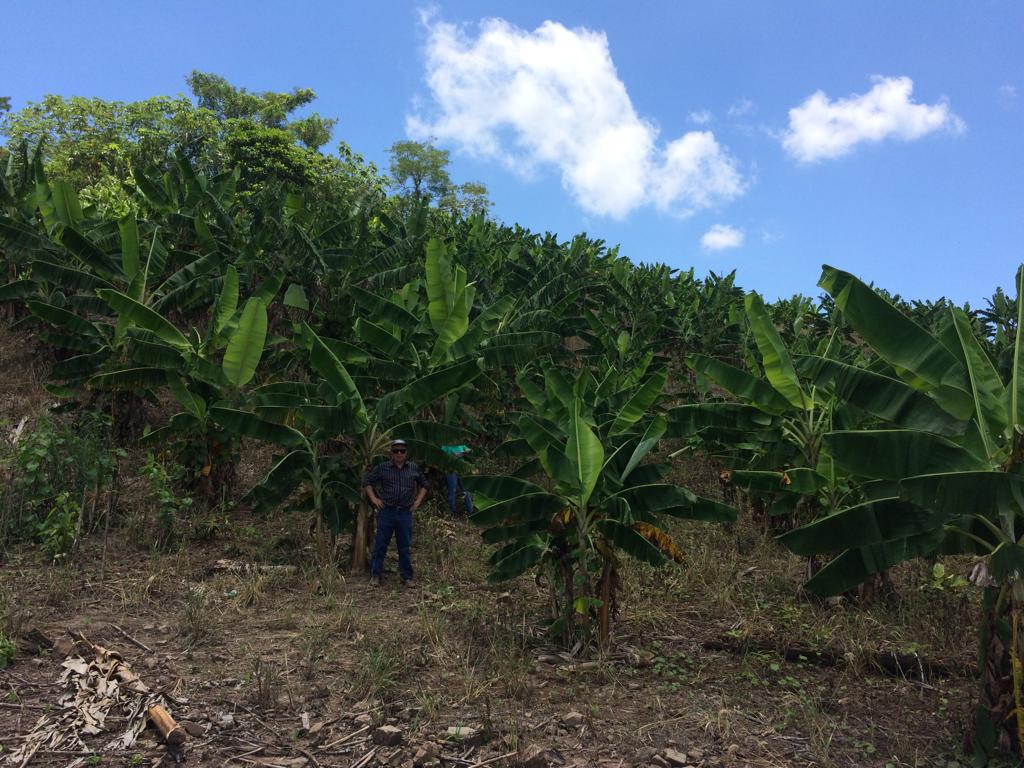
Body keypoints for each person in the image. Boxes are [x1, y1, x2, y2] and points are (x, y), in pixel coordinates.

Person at [362, 439, 428, 587]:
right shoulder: (383, 468)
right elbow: (367, 482)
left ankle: (407, 577)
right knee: (381, 544)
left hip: (405, 513)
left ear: (406, 453)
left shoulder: (413, 468)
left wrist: (417, 502)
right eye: (396, 451)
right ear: (391, 453)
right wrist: (373, 498)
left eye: (402, 451)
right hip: (387, 512)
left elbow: (424, 485)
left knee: (404, 546)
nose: (399, 453)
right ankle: (375, 575)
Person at [441, 443, 474, 517]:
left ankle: (471, 511)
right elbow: (442, 457)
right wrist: (454, 456)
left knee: (466, 490)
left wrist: (467, 451)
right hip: (451, 470)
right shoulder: (445, 446)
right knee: (452, 490)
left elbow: (468, 450)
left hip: (461, 469)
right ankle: (454, 513)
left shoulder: (461, 444)